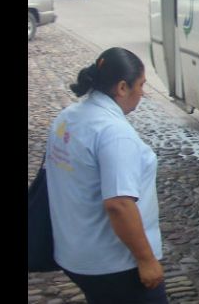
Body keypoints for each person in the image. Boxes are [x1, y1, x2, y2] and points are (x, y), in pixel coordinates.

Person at [45, 47, 167, 304]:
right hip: (116, 264)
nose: (143, 93)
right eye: (141, 85)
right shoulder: (114, 132)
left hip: (75, 253)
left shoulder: (67, 117)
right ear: (122, 87)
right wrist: (146, 260)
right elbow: (119, 204)